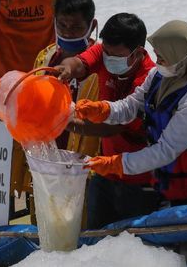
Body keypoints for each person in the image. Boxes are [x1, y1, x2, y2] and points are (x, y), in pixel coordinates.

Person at [78, 20, 187, 206]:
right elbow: (132, 105)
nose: (157, 61)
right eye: (157, 55)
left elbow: (166, 150)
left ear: (182, 57)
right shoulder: (159, 76)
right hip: (171, 188)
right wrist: (103, 110)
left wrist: (117, 164)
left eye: (163, 57)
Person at [54, 13, 159, 229]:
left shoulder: (148, 80)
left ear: (138, 52)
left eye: (116, 56)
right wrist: (66, 69)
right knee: (94, 241)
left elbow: (109, 128)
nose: (108, 59)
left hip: (139, 181)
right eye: (106, 52)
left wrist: (63, 121)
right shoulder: (105, 52)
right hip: (104, 172)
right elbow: (80, 63)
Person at [9, 0, 101, 200]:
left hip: (83, 159)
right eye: (62, 26)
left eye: (76, 27)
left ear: (92, 26)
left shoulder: (101, 68)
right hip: (46, 157)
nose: (68, 33)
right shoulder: (45, 59)